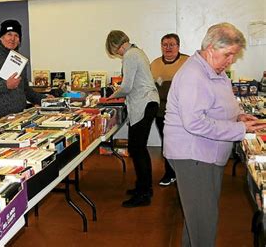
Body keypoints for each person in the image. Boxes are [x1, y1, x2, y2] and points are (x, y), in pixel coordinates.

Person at [164, 23, 266, 246]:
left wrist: (239, 116)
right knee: (203, 224)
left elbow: (224, 102)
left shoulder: (214, 71)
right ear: (211, 49)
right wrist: (240, 130)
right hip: (194, 157)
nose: (231, 60)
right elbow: (194, 123)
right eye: (228, 54)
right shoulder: (194, 75)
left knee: (198, 222)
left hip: (206, 155)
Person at [105, 30, 160, 207]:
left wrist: (110, 96)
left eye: (115, 51)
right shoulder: (138, 51)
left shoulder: (130, 55)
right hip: (148, 102)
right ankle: (143, 187)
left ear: (116, 45)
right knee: (138, 148)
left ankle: (144, 194)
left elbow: (127, 86)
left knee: (137, 149)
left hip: (143, 103)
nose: (117, 54)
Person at [0, 19, 47, 125]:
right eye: (9, 34)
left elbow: (25, 90)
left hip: (18, 119)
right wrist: (6, 85)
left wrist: (45, 100)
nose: (12, 39)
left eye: (16, 35)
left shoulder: (19, 59)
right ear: (1, 37)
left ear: (19, 40)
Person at [150, 33, 189, 186]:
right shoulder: (154, 64)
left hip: (183, 111)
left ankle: (185, 173)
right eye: (165, 45)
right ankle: (170, 173)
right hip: (161, 111)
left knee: (183, 143)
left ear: (178, 46)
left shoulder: (188, 62)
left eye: (171, 44)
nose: (168, 48)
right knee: (167, 143)